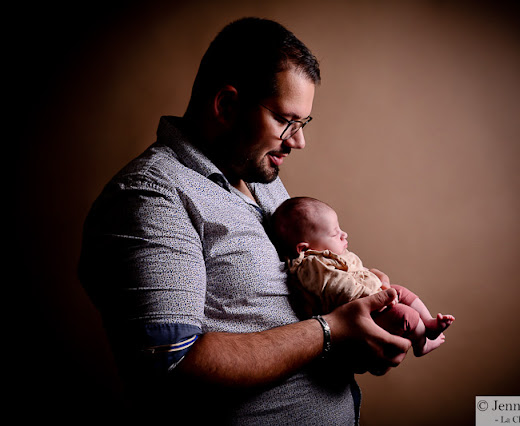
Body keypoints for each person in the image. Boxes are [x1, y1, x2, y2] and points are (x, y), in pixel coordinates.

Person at [78, 17, 412, 424]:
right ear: (227, 106)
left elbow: (288, 315)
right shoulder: (150, 196)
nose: (298, 141)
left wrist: (366, 328)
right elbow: (170, 363)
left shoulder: (261, 178)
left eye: (303, 124)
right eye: (286, 121)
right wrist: (332, 331)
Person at [270, 196, 455, 357]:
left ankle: (429, 323)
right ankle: (421, 344)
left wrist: (375, 278)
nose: (344, 234)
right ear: (304, 248)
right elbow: (339, 288)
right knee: (406, 316)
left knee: (403, 292)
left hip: (375, 297)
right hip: (360, 314)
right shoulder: (311, 266)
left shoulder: (335, 255)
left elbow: (358, 272)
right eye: (335, 234)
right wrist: (374, 293)